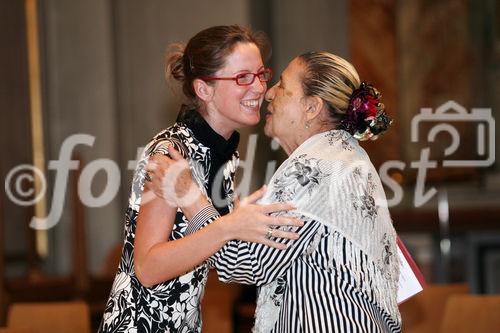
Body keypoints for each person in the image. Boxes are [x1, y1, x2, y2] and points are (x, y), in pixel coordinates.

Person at [149, 51, 402, 332]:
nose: (269, 94)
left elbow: (244, 262)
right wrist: (237, 220)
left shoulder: (315, 168)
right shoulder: (345, 157)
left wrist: (189, 195)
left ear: (312, 107)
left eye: (282, 85)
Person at [98, 25, 304, 333]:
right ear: (204, 89)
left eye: (261, 74)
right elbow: (147, 269)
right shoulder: (171, 152)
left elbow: (204, 246)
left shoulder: (223, 153)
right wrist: (229, 225)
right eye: (242, 78)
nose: (260, 88)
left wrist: (236, 221)